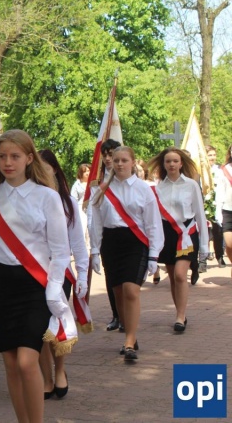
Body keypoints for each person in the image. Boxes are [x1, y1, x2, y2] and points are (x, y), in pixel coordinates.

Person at [0, 130, 71, 421]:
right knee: (10, 363)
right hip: (1, 286)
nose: (8, 162)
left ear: (29, 159)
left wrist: (53, 289)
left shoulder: (47, 197)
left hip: (36, 286)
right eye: (2, 156)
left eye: (15, 156)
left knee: (28, 361)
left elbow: (60, 251)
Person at [90, 146, 164, 361]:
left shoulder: (143, 189)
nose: (120, 164)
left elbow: (153, 224)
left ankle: (130, 341)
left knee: (131, 290)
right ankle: (129, 331)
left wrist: (154, 254)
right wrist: (94, 250)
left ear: (133, 162)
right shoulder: (102, 189)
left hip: (136, 243)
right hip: (111, 243)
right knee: (118, 293)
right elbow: (96, 222)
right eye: (116, 160)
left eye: (124, 160)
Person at [37, 149, 88, 399]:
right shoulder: (28, 199)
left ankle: (60, 370)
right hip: (33, 270)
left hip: (59, 272)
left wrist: (83, 274)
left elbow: (77, 242)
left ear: (54, 169)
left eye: (44, 168)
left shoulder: (68, 203)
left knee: (56, 322)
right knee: (39, 326)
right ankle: (45, 377)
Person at [147, 147, 208, 332]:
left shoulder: (191, 185)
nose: (171, 164)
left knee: (181, 275)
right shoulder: (158, 188)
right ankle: (180, 313)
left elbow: (200, 214)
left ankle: (180, 316)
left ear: (181, 163)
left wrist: (204, 244)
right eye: (168, 161)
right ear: (163, 164)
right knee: (173, 277)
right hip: (167, 233)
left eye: (175, 161)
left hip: (187, 233)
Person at [87, 138, 122, 331]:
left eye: (112, 154)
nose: (108, 159)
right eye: (105, 155)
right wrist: (95, 248)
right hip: (108, 235)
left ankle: (127, 315)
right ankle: (117, 315)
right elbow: (94, 217)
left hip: (129, 233)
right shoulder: (98, 183)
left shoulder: (128, 179)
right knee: (112, 278)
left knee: (127, 281)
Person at [205, 145, 226, 268]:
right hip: (204, 203)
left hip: (216, 203)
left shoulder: (220, 170)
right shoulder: (199, 169)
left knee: (218, 232)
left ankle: (219, 256)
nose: (212, 157)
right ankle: (202, 259)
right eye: (210, 155)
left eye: (214, 155)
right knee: (204, 233)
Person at [215, 143, 232, 280]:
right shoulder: (224, 170)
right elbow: (220, 192)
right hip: (228, 210)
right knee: (229, 244)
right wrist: (218, 211)